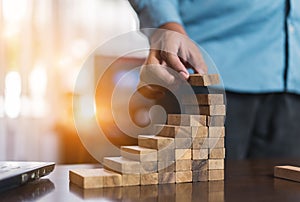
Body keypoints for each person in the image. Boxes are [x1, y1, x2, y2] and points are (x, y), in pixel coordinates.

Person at [129, 0, 300, 159]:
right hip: (199, 76)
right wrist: (166, 26)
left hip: (293, 91)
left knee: (283, 190)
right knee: (189, 189)